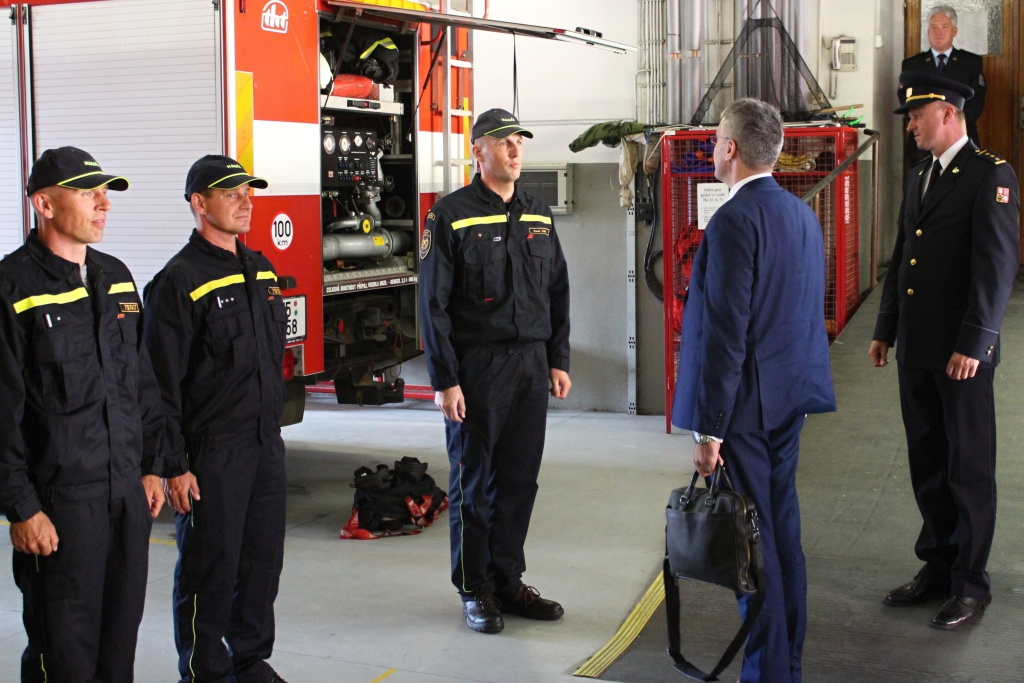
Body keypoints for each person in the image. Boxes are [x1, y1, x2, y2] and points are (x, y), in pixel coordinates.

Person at [671, 99, 836, 682]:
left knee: (751, 548)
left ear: (731, 148)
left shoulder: (733, 221)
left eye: (716, 138)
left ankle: (767, 674)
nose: (712, 147)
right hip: (789, 400)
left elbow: (724, 333)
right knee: (782, 538)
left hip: (742, 413)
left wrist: (709, 429)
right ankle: (786, 666)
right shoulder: (799, 214)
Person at [0, 146, 167, 681]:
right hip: (61, 505)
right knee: (63, 656)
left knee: (118, 649)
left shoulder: (115, 277)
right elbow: (3, 412)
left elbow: (140, 383)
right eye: (88, 193)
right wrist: (22, 509)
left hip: (125, 496)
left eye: (105, 193)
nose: (104, 204)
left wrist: (152, 465)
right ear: (44, 205)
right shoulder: (12, 288)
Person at [870, 72, 1019, 630]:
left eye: (917, 116)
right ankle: (937, 564)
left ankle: (970, 583)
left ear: (949, 114)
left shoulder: (989, 174)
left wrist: (975, 341)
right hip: (918, 344)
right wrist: (885, 328)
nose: (910, 126)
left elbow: (996, 266)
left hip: (961, 351)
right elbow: (903, 256)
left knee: (968, 467)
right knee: (928, 460)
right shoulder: (919, 176)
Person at [418, 108, 572, 634]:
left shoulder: (537, 212)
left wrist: (558, 359)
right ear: (478, 150)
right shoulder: (449, 215)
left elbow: (557, 290)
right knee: (474, 483)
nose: (515, 150)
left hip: (530, 364)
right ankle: (475, 588)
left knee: (519, 481)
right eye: (504, 142)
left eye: (519, 142)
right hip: (477, 368)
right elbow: (432, 305)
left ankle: (507, 580)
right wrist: (445, 379)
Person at [143, 155, 290, 683]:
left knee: (260, 564)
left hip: (264, 444)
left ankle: (248, 661)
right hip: (211, 453)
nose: (246, 201)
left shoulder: (261, 270)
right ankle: (204, 672)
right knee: (210, 569)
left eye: (248, 192)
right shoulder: (178, 281)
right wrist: (173, 465)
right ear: (199, 203)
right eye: (232, 194)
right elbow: (159, 386)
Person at [899, 5, 986, 163]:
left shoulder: (970, 63)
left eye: (945, 27)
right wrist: (928, 124)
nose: (939, 32)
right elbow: (906, 101)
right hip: (923, 143)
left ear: (955, 31)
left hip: (960, 140)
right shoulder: (912, 64)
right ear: (928, 32)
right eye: (934, 27)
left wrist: (949, 126)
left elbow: (976, 103)